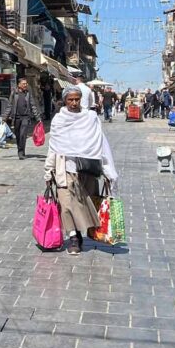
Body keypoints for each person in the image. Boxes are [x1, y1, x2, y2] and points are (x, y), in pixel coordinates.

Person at [45, 87, 119, 255]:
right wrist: (48, 171)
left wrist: (108, 171)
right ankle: (73, 237)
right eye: (70, 99)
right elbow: (53, 147)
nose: (74, 103)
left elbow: (101, 143)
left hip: (87, 168)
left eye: (77, 99)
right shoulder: (59, 120)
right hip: (65, 168)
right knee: (66, 204)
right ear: (65, 100)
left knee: (84, 203)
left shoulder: (90, 118)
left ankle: (79, 232)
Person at [6, 78, 41, 159]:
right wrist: (5, 118)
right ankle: (21, 150)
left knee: (23, 135)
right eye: (24, 83)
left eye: (26, 84)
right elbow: (9, 106)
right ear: (19, 85)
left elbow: (33, 105)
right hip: (16, 118)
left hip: (25, 117)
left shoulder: (28, 93)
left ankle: (21, 153)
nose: (26, 85)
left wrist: (38, 117)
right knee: (18, 136)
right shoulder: (14, 93)